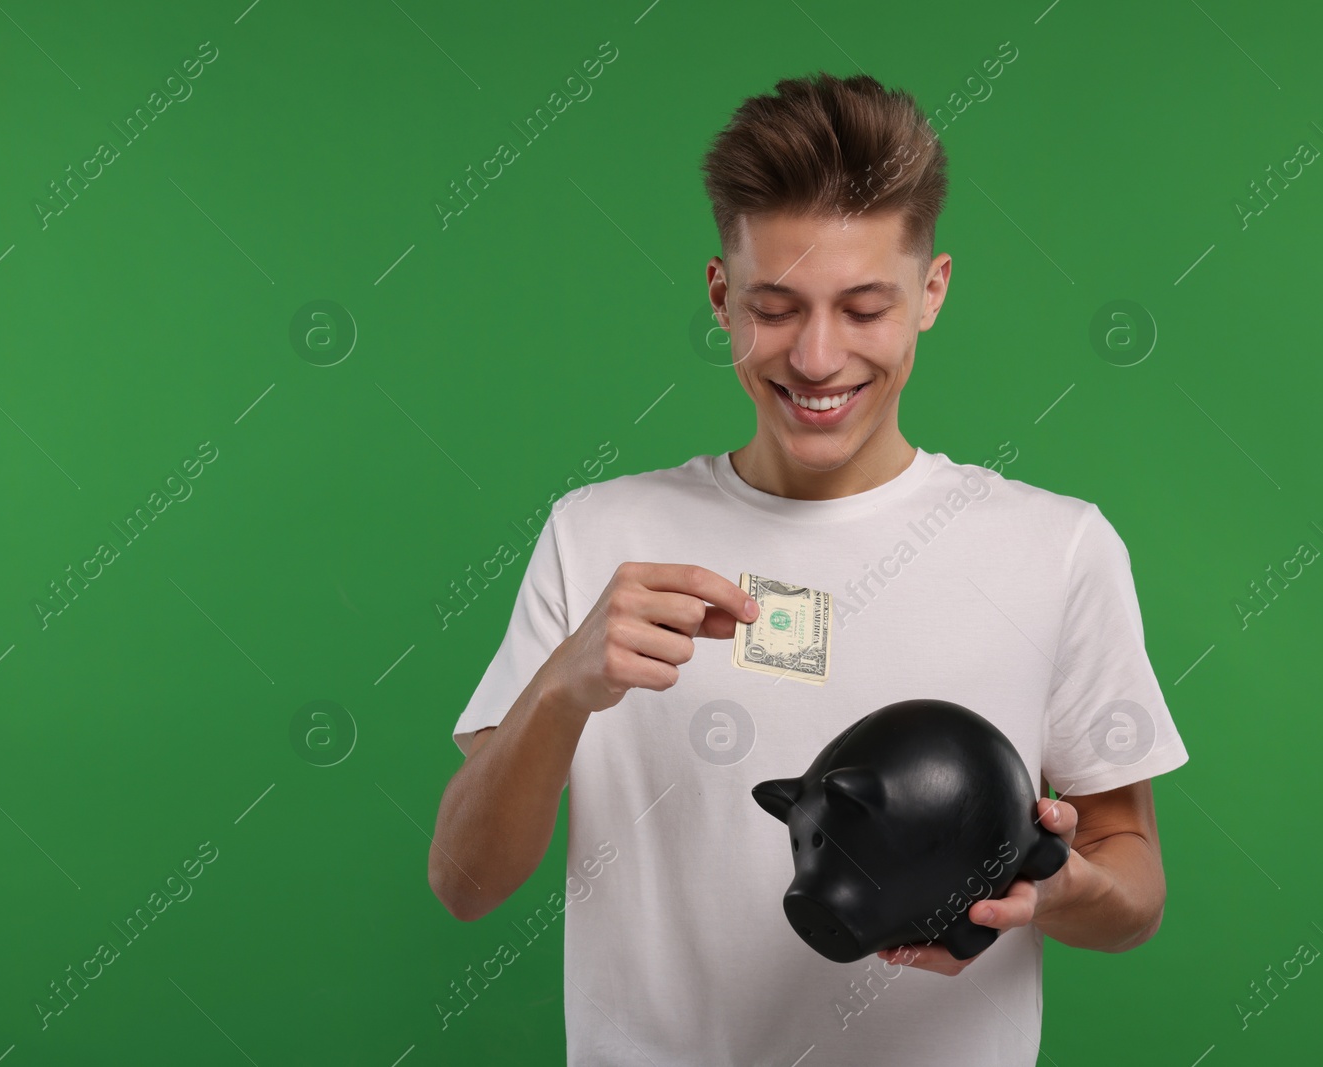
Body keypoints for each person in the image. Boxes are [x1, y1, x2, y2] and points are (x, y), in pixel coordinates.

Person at [428, 70, 1190, 1066]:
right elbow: (466, 881)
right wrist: (564, 685)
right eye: (775, 307)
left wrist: (1050, 891)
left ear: (931, 292)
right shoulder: (599, 533)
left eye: (864, 307)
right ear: (720, 295)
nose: (818, 356)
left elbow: (1132, 887)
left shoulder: (1057, 547)